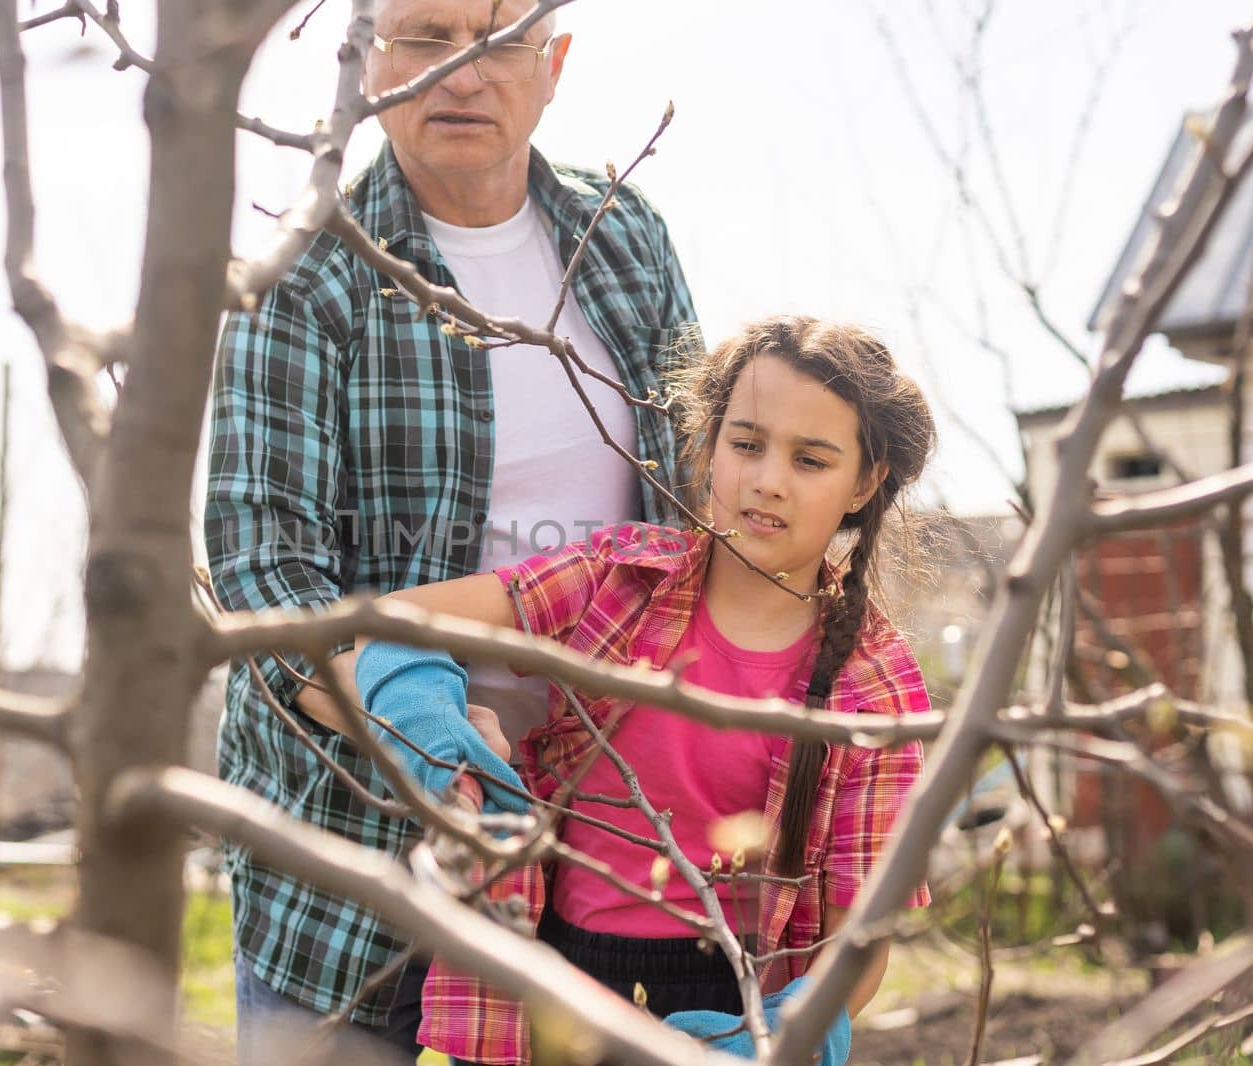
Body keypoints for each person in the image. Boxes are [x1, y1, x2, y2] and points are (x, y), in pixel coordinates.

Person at [204, 0, 698, 1058]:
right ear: (369, 55)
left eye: (499, 41)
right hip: (358, 843)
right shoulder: (305, 267)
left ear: (553, 64)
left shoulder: (627, 239)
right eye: (426, 36)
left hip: (601, 845)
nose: (461, 74)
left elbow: (698, 506)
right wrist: (408, 720)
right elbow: (259, 563)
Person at [354, 316, 937, 1064]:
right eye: (747, 444)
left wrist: (756, 1043)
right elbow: (396, 623)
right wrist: (442, 737)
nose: (767, 480)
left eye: (811, 459)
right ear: (710, 443)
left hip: (734, 1008)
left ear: (864, 482)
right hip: (553, 979)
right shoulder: (621, 577)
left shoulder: (878, 689)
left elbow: (860, 946)